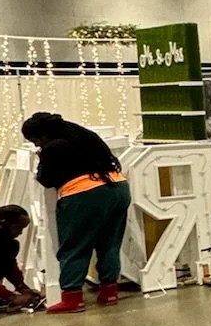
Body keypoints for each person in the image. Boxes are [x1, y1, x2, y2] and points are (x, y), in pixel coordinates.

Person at [20, 113, 132, 314]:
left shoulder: (53, 147)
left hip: (84, 194)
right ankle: (110, 292)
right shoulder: (84, 134)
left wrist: (41, 158)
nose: (37, 145)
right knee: (110, 244)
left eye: (35, 140)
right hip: (119, 188)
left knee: (75, 246)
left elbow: (45, 179)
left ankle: (72, 298)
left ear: (42, 135)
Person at [0, 204, 42, 312]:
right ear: (4, 223)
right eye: (18, 227)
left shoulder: (5, 241)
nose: (20, 232)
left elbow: (9, 265)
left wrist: (22, 287)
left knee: (11, 246)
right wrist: (11, 296)